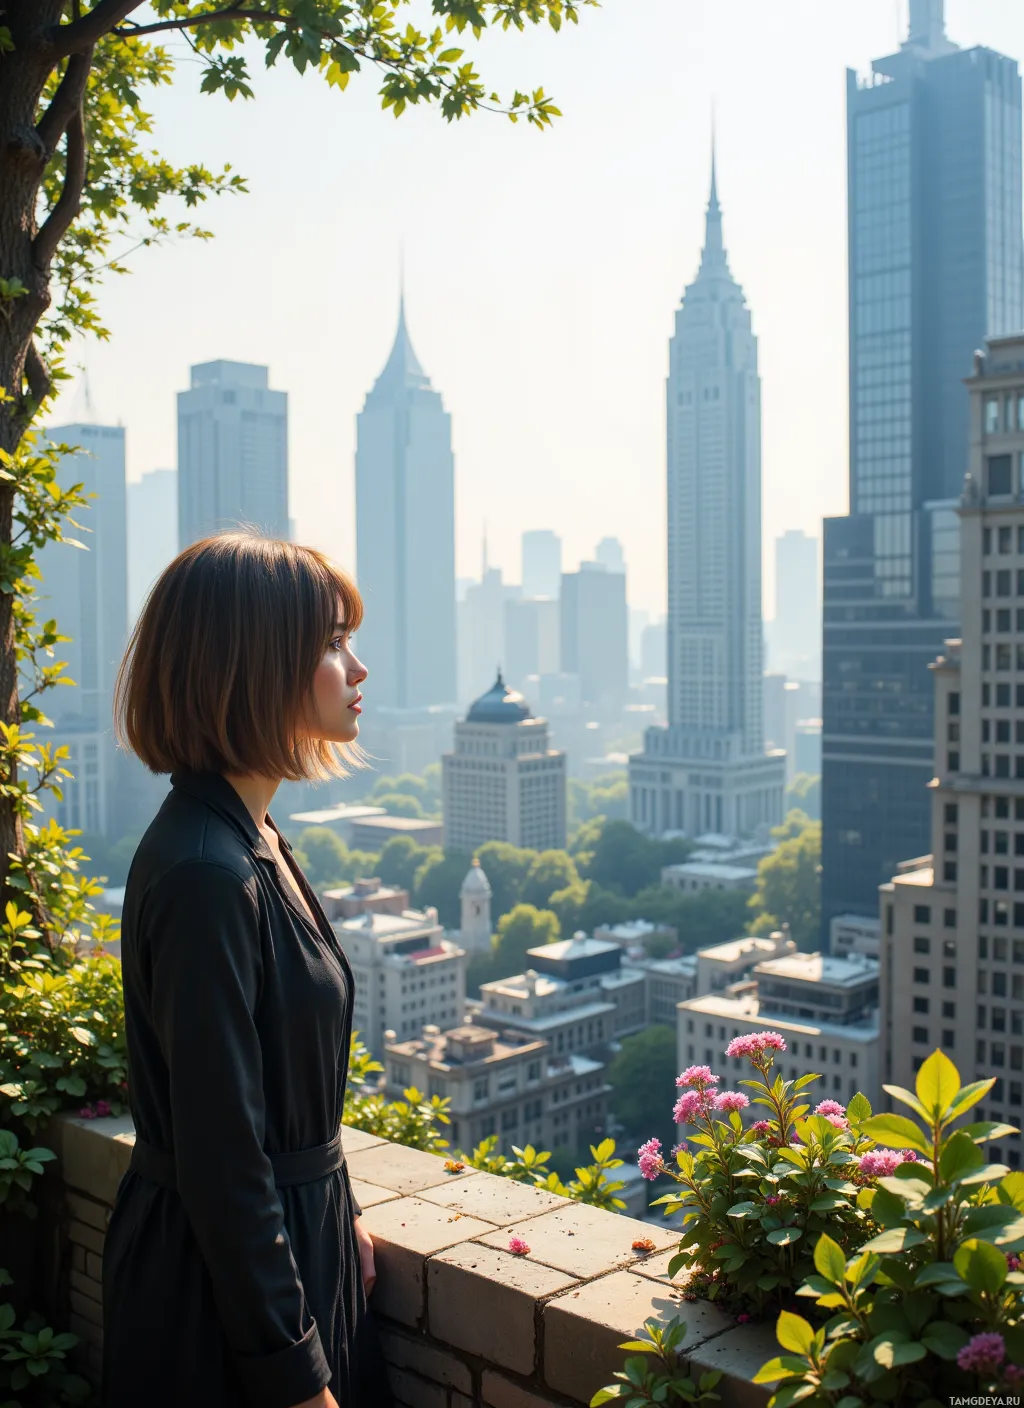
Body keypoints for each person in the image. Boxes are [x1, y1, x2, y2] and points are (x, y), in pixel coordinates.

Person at [101, 532, 393, 1408]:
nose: (358, 668)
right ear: (258, 663)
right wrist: (295, 1380)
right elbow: (223, 1157)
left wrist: (335, 1211)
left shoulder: (249, 840)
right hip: (220, 1310)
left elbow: (268, 1089)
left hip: (297, 1259)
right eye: (333, 643)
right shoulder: (205, 871)